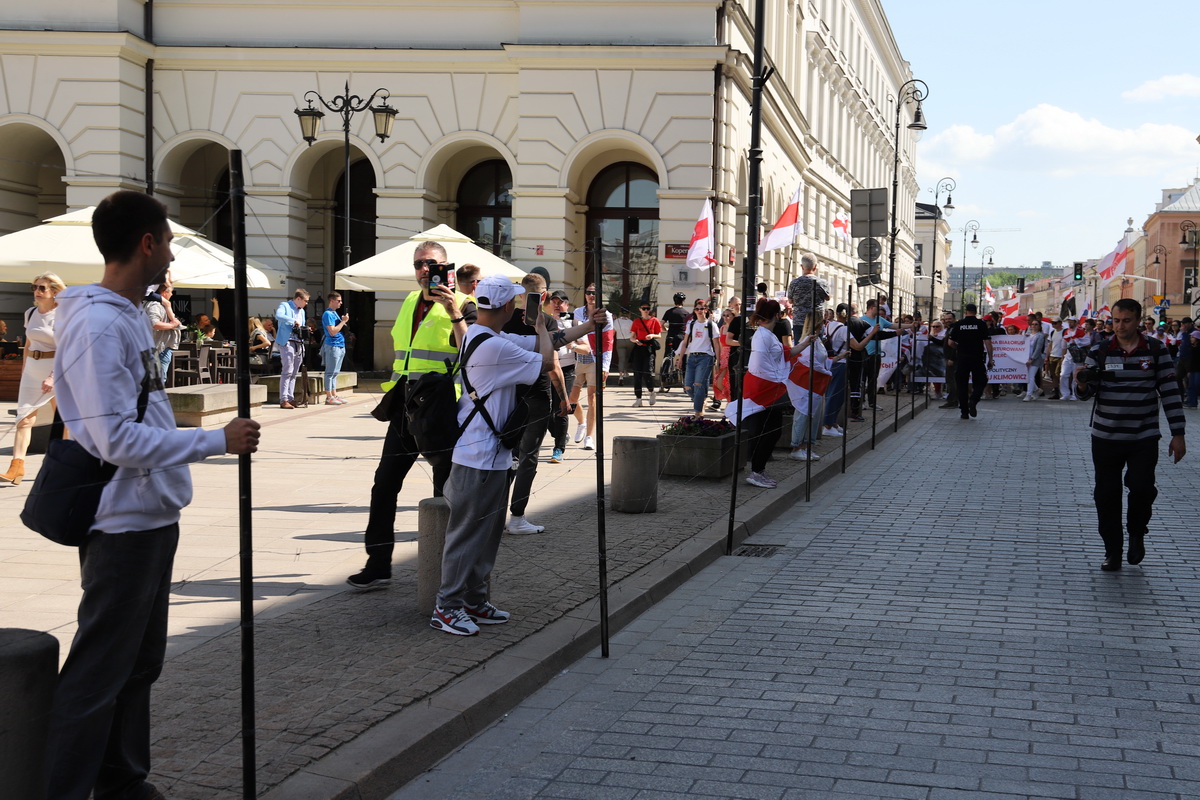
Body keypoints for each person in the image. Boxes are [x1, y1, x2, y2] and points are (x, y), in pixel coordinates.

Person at [45, 190, 260, 800]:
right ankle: (64, 786)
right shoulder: (96, 322)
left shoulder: (126, 314)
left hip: (149, 517)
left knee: (138, 665)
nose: (170, 254)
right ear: (146, 243)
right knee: (99, 671)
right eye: (167, 241)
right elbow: (113, 438)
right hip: (121, 523)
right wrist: (215, 440)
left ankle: (121, 779)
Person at [431, 275, 555, 635]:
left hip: (491, 455)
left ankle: (474, 599)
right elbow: (547, 360)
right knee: (467, 535)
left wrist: (585, 326)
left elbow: (549, 345)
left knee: (487, 535)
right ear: (505, 306)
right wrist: (542, 325)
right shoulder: (494, 346)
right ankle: (447, 607)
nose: (518, 306)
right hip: (478, 457)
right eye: (515, 302)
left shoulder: (479, 333)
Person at [347, 241, 473, 590]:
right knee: (384, 483)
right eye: (419, 263)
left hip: (443, 409)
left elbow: (473, 349)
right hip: (406, 405)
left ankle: (446, 570)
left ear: (447, 267)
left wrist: (453, 311)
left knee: (443, 491)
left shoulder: (464, 303)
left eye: (431, 264)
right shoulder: (407, 301)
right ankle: (378, 564)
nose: (423, 270)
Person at [1080, 298, 1186, 571]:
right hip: (1106, 436)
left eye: (1126, 320)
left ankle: (1137, 531)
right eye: (1115, 320)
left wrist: (1178, 433)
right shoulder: (1100, 351)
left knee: (1141, 487)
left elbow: (1170, 393)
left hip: (1143, 435)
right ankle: (1112, 551)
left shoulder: (1155, 350)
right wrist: (1081, 381)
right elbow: (1086, 395)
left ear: (1138, 321)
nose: (1120, 326)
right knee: (1106, 494)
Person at [726, 297, 817, 488]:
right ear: (776, 314)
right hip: (764, 389)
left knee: (771, 431)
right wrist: (776, 379)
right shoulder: (763, 336)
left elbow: (787, 353)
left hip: (769, 387)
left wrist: (807, 342)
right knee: (766, 432)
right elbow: (759, 365)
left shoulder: (768, 334)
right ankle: (757, 471)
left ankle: (759, 470)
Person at [504, 272, 568, 535]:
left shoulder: (504, 319)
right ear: (544, 296)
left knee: (503, 456)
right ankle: (517, 518)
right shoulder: (550, 322)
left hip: (507, 394)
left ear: (521, 294)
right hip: (538, 396)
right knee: (529, 458)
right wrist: (563, 397)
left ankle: (491, 514)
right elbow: (552, 364)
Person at [0, 272, 66, 486]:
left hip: (58, 370)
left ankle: (64, 466)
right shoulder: (30, 313)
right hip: (33, 370)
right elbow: (29, 344)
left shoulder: (64, 315)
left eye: (42, 288)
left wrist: (53, 377)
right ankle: (16, 466)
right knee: (24, 419)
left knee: (64, 421)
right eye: (35, 287)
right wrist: (24, 371)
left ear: (54, 292)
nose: (36, 291)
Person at [572, 283, 613, 450]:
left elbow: (608, 343)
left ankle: (589, 436)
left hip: (595, 360)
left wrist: (605, 366)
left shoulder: (606, 315)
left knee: (591, 398)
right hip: (579, 358)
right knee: (571, 399)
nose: (591, 296)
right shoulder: (577, 312)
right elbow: (573, 333)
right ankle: (581, 423)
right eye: (589, 293)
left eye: (594, 293)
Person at [945, 303, 993, 420]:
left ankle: (964, 412)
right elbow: (988, 343)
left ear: (966, 311)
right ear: (976, 312)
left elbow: (950, 343)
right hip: (977, 357)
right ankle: (974, 400)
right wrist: (991, 359)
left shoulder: (959, 324)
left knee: (961, 384)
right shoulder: (981, 324)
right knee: (981, 381)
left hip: (962, 358)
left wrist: (960, 348)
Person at [675, 299, 718, 417]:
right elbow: (685, 342)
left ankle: (698, 413)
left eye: (702, 308)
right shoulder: (691, 324)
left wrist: (718, 360)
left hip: (706, 357)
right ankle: (702, 400)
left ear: (706, 310)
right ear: (694, 311)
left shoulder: (711, 325)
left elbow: (716, 344)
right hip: (692, 357)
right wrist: (681, 358)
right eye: (697, 309)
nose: (700, 311)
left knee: (698, 384)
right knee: (688, 387)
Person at [274, 288, 309, 409]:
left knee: (294, 372)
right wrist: (292, 320)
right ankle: (283, 399)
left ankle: (290, 397)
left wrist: (306, 329)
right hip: (287, 341)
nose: (306, 303)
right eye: (305, 301)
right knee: (287, 371)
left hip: (298, 342)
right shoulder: (285, 305)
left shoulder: (302, 311)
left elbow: (302, 325)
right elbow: (278, 315)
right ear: (298, 299)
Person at [143, 279, 182, 384]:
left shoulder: (161, 304)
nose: (172, 294)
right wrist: (171, 325)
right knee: (158, 379)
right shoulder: (155, 305)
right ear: (164, 292)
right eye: (170, 292)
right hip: (159, 347)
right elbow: (154, 323)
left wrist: (174, 322)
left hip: (162, 346)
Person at [786, 252, 831, 338]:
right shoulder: (822, 283)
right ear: (815, 267)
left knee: (800, 349)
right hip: (817, 321)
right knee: (817, 348)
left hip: (799, 321)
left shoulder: (794, 283)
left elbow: (790, 301)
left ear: (802, 266)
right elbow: (827, 297)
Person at [629, 301, 661, 407]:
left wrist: (652, 335)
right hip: (638, 348)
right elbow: (632, 337)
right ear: (640, 309)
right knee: (637, 374)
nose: (646, 311)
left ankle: (651, 392)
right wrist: (635, 341)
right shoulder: (637, 321)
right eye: (644, 309)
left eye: (647, 309)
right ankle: (638, 398)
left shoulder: (654, 320)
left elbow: (659, 335)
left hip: (649, 349)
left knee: (647, 372)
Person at [321, 291, 350, 405]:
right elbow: (332, 331)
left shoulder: (334, 313)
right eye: (338, 301)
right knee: (330, 372)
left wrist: (342, 321)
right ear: (331, 301)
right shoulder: (328, 314)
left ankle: (334, 394)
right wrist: (343, 322)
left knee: (335, 372)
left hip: (340, 344)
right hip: (333, 345)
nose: (340, 303)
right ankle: (329, 397)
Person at [712, 308, 734, 409]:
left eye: (728, 315)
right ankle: (728, 397)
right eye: (724, 315)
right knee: (718, 381)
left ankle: (731, 401)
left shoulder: (735, 328)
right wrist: (718, 359)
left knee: (730, 380)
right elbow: (720, 345)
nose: (725, 317)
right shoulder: (722, 328)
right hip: (723, 356)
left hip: (732, 355)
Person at [1022, 317, 1046, 402]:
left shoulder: (1040, 336)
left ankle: (1029, 394)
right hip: (1026, 358)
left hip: (1035, 359)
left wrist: (1032, 359)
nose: (1034, 326)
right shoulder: (1027, 334)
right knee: (1028, 376)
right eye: (1033, 324)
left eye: (1036, 324)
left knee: (1031, 377)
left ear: (1039, 326)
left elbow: (1038, 348)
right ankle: (1037, 390)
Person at [613, 307, 634, 385]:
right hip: (629, 340)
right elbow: (633, 332)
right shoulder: (631, 322)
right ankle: (626, 371)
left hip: (620, 340)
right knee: (627, 357)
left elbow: (613, 332)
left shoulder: (616, 321)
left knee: (621, 358)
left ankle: (621, 376)